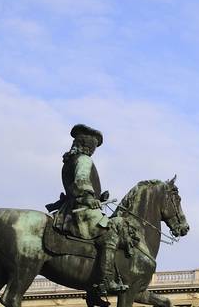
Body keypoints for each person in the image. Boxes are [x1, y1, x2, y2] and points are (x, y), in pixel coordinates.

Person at [48, 124, 128, 296]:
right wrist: (90, 198)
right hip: (81, 210)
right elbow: (81, 181)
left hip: (70, 209)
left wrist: (99, 198)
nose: (94, 150)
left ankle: (93, 291)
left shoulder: (69, 160)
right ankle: (106, 280)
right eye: (93, 145)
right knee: (111, 232)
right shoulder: (84, 160)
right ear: (88, 145)